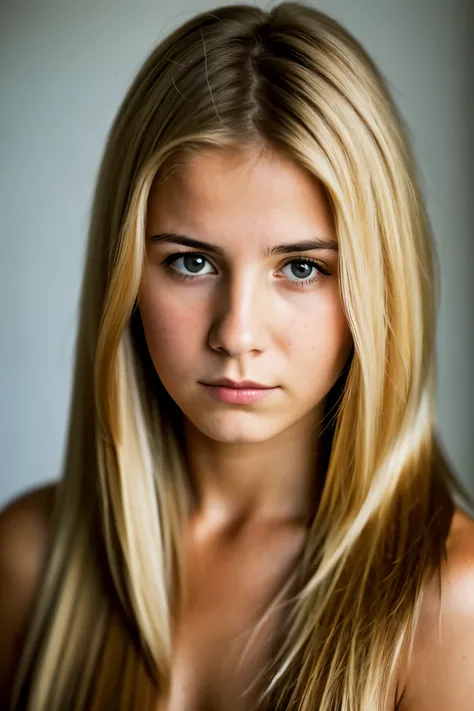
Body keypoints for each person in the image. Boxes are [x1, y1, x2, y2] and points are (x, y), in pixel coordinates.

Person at [1, 2, 473, 709]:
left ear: (381, 284)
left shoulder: (447, 597)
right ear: (124, 274)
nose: (237, 332)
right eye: (191, 261)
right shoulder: (30, 559)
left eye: (303, 268)